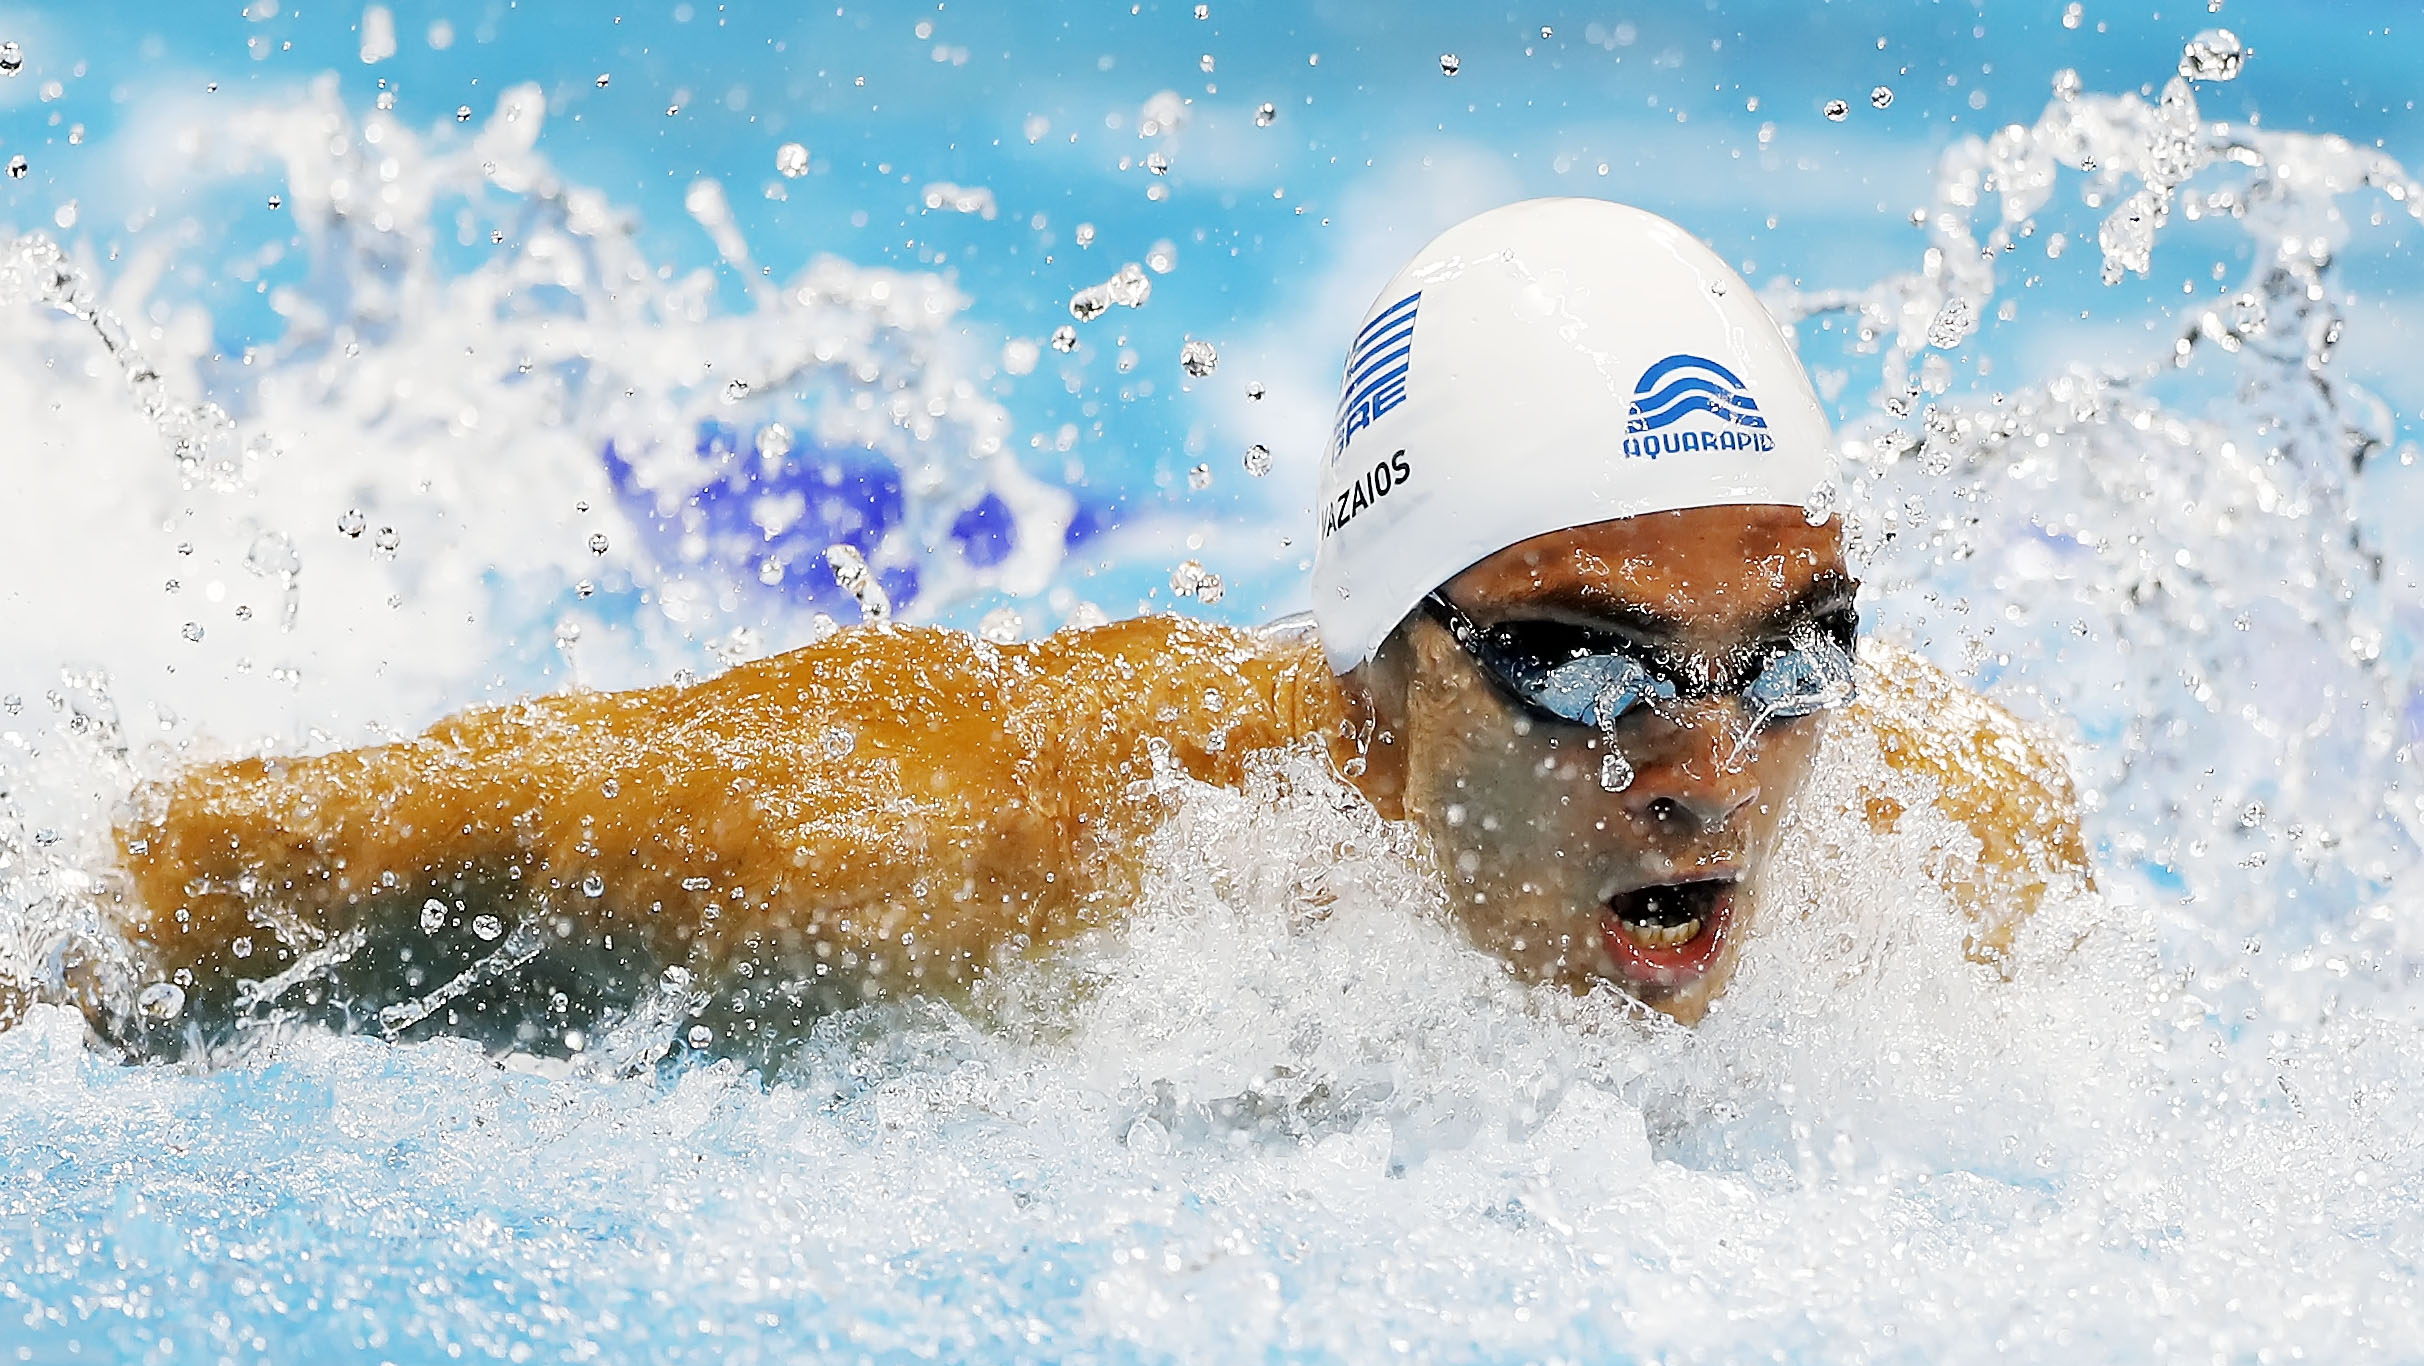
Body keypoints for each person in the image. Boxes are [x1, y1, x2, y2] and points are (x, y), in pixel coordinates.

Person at [40, 199, 2087, 1061]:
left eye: (1796, 650)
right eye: (1588, 661)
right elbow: (197, 867)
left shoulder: (1962, 859)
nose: (1710, 763)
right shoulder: (977, 836)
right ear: (1376, 677)